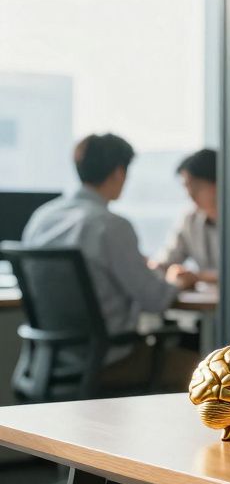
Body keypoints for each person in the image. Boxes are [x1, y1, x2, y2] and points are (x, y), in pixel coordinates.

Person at [22, 133, 199, 390]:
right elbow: (155, 299)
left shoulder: (42, 218)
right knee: (208, 373)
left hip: (48, 362)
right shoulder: (110, 226)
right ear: (119, 172)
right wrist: (175, 281)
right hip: (108, 362)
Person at [150, 148, 230, 282]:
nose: (189, 194)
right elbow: (168, 261)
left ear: (219, 184)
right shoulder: (190, 219)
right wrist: (147, 266)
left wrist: (198, 277)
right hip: (210, 300)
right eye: (186, 186)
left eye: (196, 186)